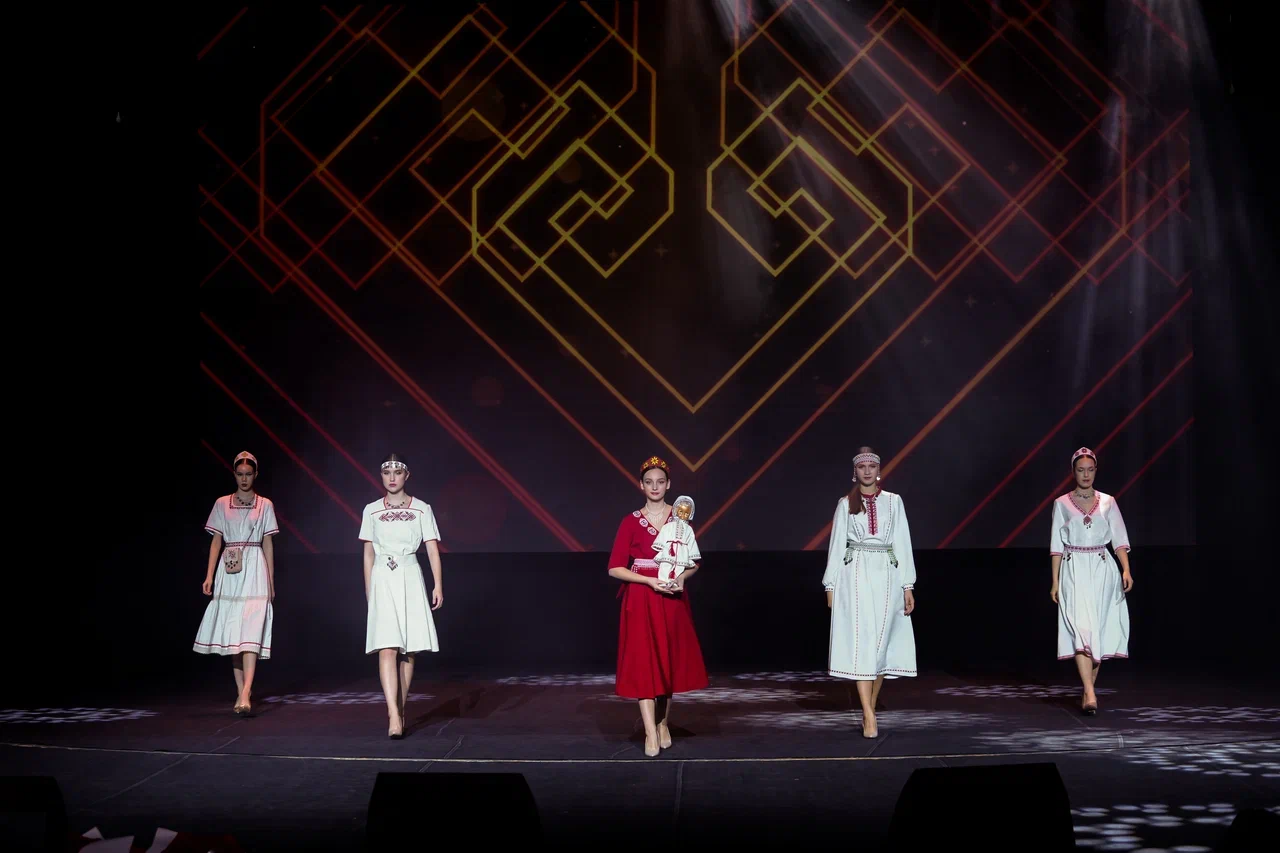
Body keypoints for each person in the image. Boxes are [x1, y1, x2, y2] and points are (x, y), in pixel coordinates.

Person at [608, 457, 709, 757]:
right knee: (644, 662)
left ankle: (663, 722)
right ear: (641, 485)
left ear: (668, 485)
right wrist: (648, 581)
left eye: (660, 482)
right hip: (641, 598)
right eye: (649, 482)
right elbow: (615, 568)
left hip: (671, 598)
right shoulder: (630, 521)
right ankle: (650, 732)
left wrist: (680, 578)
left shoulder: (679, 521)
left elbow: (694, 561)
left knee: (668, 661)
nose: (655, 487)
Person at [822, 447, 917, 738]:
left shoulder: (894, 502)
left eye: (871, 466)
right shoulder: (845, 504)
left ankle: (870, 708)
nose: (867, 471)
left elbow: (903, 542)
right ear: (855, 472)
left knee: (880, 647)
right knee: (862, 643)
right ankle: (869, 714)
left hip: (887, 575)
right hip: (855, 575)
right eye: (862, 467)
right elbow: (837, 545)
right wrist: (830, 585)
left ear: (879, 471)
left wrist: (908, 585)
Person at [359, 453, 443, 739]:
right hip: (383, 577)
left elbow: (431, 548)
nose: (392, 477)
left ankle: (401, 707)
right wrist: (369, 589)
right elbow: (368, 553)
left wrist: (438, 585)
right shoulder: (371, 510)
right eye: (387, 472)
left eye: (397, 472)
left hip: (410, 576)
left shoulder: (422, 509)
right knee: (387, 647)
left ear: (407, 475)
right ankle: (393, 714)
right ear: (381, 476)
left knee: (409, 650)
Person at [1049, 447, 1133, 715]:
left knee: (1097, 628)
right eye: (1080, 470)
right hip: (1074, 570)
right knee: (1081, 629)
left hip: (1102, 569)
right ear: (1073, 472)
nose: (1085, 475)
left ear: (1096, 470)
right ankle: (1089, 690)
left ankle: (1088, 690)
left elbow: (1119, 539)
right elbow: (1056, 546)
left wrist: (1126, 570)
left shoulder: (1108, 502)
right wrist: (1055, 581)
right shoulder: (1062, 504)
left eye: (1090, 469)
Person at [194, 451, 278, 716]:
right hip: (229, 569)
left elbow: (268, 543)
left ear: (255, 475)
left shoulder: (265, 505)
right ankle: (241, 690)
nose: (244, 479)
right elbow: (216, 541)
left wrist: (271, 581)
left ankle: (245, 692)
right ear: (234, 474)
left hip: (254, 568)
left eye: (248, 474)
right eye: (240, 474)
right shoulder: (222, 503)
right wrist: (209, 575)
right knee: (234, 633)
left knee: (251, 630)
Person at [652, 495, 700, 586]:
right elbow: (663, 534)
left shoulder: (689, 529)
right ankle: (663, 581)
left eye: (686, 513)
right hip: (669, 550)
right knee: (665, 565)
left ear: (690, 514)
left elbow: (691, 541)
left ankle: (675, 583)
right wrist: (660, 546)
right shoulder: (668, 525)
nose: (683, 515)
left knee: (679, 567)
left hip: (682, 551)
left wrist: (692, 554)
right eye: (681, 511)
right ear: (676, 510)